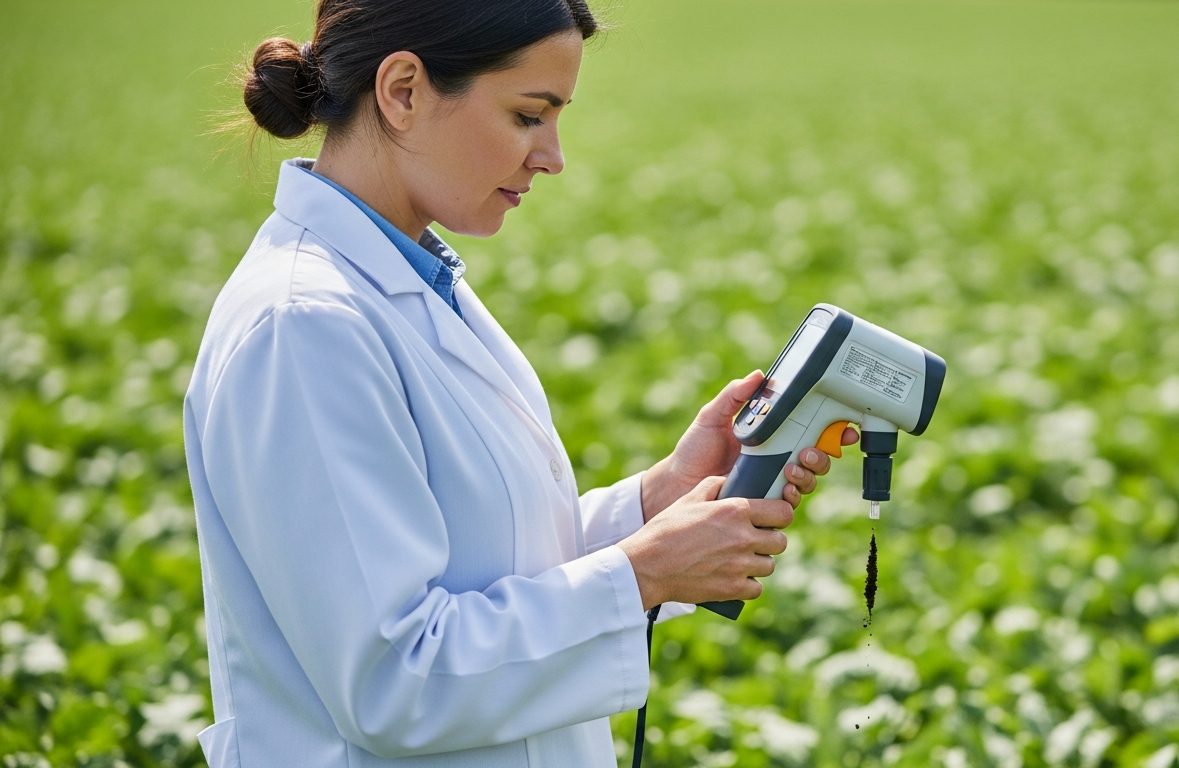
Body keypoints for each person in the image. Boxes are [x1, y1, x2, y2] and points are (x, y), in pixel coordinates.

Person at [183, 1, 858, 766]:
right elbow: (392, 681)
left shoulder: (416, 279)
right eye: (529, 115)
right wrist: (641, 574)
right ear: (402, 90)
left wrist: (656, 502)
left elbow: (488, 561)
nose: (553, 156)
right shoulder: (302, 325)